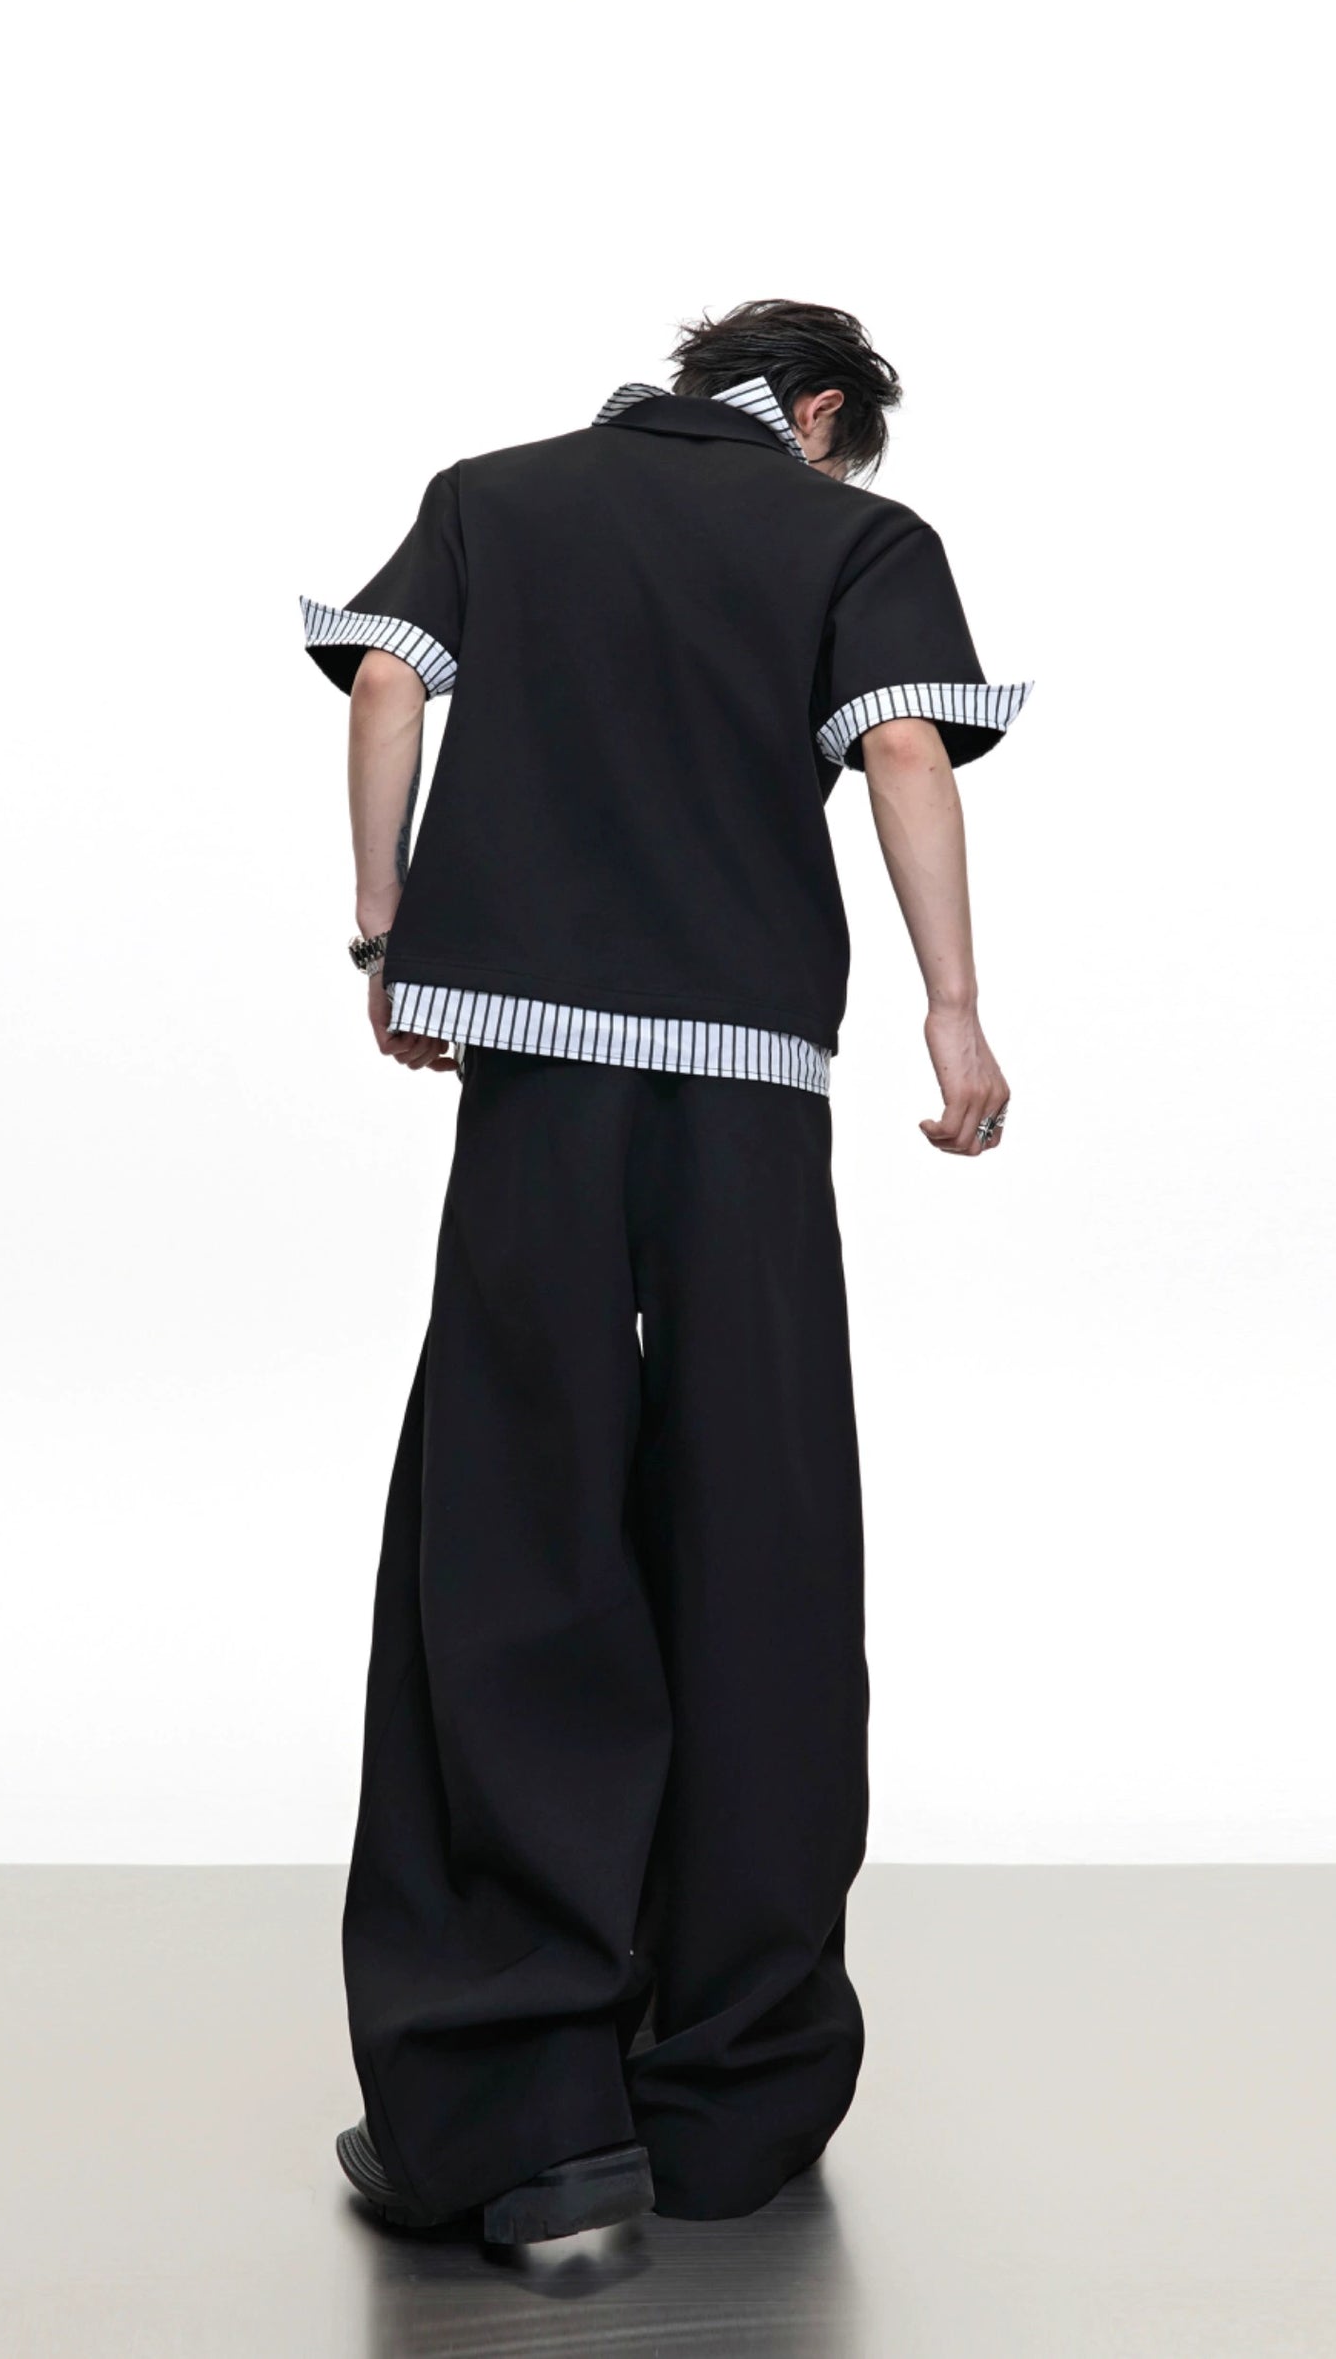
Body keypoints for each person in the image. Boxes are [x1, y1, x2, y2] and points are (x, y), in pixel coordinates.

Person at [298, 299, 1033, 2244]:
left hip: (536, 1076)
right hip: (748, 1091)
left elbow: (387, 682)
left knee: (512, 1527)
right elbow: (902, 746)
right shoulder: (851, 537)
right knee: (756, 1536)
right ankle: (725, 2093)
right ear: (818, 410)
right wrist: (953, 1009)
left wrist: (384, 925)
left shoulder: (497, 496)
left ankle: (524, 2114)